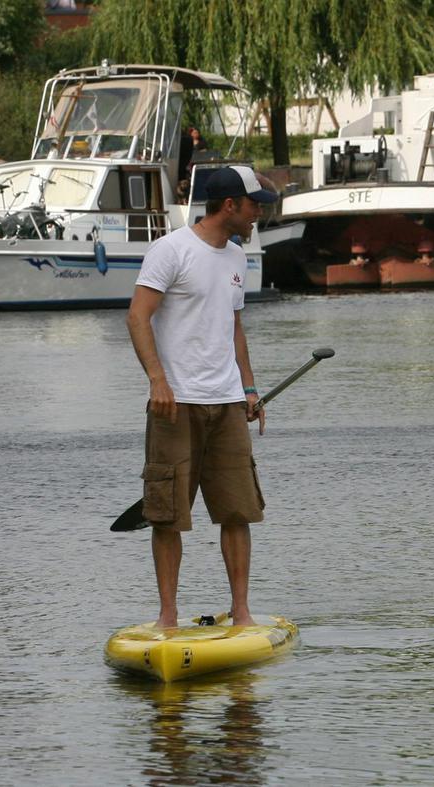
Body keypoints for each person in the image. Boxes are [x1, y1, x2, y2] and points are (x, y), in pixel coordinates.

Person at [127, 165, 279, 628]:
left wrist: (249, 389)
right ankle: (168, 617)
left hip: (228, 403)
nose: (259, 215)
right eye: (255, 206)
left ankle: (242, 612)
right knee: (168, 514)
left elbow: (234, 328)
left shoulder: (236, 256)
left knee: (238, 510)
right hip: (176, 402)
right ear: (229, 205)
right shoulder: (170, 250)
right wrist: (158, 380)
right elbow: (138, 317)